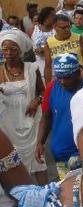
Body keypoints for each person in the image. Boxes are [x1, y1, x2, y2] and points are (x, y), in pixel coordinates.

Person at [0, 31, 47, 185]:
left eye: (13, 49)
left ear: (20, 50)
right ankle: (21, 200)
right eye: (5, 49)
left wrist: (37, 100)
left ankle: (46, 197)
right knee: (13, 162)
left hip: (31, 119)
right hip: (8, 123)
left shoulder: (32, 68)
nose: (8, 53)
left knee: (38, 160)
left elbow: (43, 91)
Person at [36, 54, 83, 180]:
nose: (63, 81)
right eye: (59, 77)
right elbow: (46, 116)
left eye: (67, 77)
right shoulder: (52, 87)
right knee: (67, 190)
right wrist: (40, 142)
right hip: (61, 155)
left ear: (78, 73)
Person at [43, 14, 83, 83]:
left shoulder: (78, 38)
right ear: (54, 27)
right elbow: (48, 67)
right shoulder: (49, 43)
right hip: (62, 82)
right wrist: (48, 88)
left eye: (68, 26)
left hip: (79, 79)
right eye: (63, 27)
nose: (67, 30)